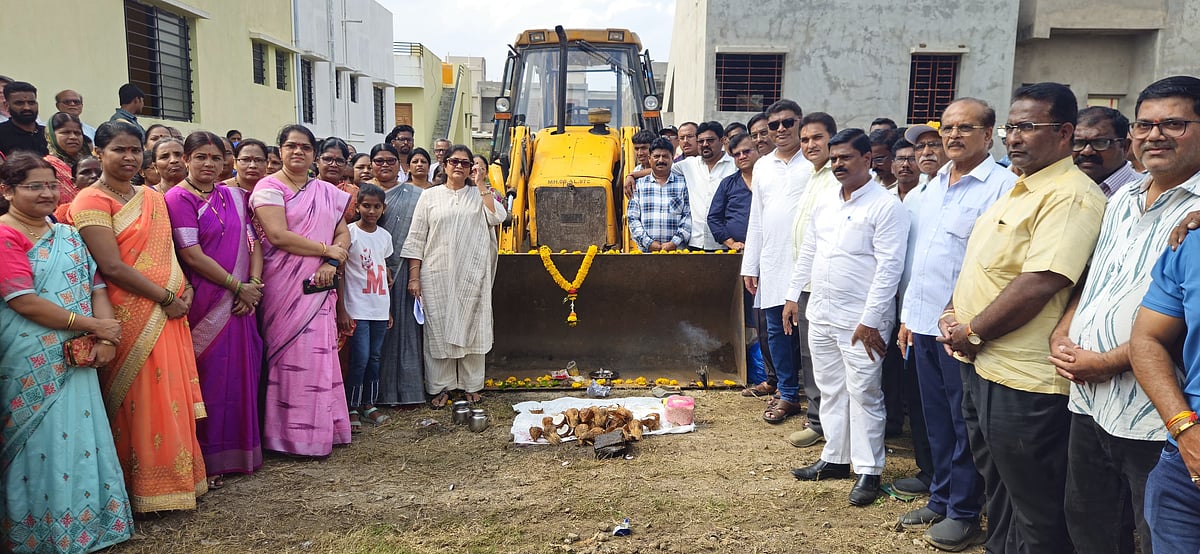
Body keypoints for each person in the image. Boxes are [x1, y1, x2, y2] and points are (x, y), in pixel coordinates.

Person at [941, 82, 1106, 553]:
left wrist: (972, 331)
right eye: (1011, 128)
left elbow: (1041, 282)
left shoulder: (1070, 196)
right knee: (1002, 491)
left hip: (1025, 380)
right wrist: (953, 311)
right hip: (983, 364)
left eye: (1028, 127)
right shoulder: (1020, 189)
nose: (1014, 138)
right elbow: (988, 266)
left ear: (1065, 133)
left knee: (1037, 506)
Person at [1055, 76, 1200, 554]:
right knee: (1090, 523)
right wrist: (1065, 326)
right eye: (1145, 124)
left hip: (1157, 413)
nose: (1155, 135)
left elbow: (1175, 323)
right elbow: (1097, 276)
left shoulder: (1199, 210)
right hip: (1091, 402)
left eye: (1174, 123)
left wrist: (1109, 360)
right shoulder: (1122, 197)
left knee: (1155, 531)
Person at [67, 120, 208, 513]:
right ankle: (142, 488)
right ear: (98, 153)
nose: (129, 157)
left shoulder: (150, 197)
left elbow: (166, 254)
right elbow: (111, 266)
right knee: (142, 402)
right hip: (131, 315)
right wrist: (165, 296)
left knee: (171, 399)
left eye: (134, 150)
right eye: (119, 150)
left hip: (170, 312)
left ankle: (180, 483)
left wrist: (183, 288)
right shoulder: (90, 202)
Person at [895, 98, 1015, 550]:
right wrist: (909, 318)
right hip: (924, 323)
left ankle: (964, 511)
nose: (953, 136)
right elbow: (920, 260)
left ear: (989, 135)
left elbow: (997, 266)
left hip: (965, 329)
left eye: (966, 128)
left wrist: (967, 323)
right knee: (936, 421)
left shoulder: (1002, 187)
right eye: (947, 128)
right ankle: (942, 496)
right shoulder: (933, 184)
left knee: (966, 425)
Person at [0, 152, 135, 552]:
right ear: (6, 191)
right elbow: (22, 300)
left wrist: (108, 339)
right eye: (33, 186)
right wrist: (94, 328)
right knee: (38, 442)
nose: (46, 193)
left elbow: (95, 287)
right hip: (30, 357)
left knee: (80, 434)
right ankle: (39, 535)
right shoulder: (6, 235)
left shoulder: (67, 234)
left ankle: (87, 527)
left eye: (51, 185)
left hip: (77, 353)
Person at [785, 130, 910, 506]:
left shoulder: (886, 207)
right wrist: (793, 295)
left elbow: (890, 268)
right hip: (821, 311)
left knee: (865, 392)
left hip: (862, 320)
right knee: (829, 387)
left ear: (868, 158)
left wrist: (872, 319)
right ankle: (835, 458)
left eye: (846, 158)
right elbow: (809, 250)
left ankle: (869, 470)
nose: (838, 164)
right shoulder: (826, 201)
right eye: (834, 158)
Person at [165, 131, 265, 490]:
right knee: (210, 380)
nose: (209, 164)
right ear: (187, 160)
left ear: (226, 162)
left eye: (216, 157)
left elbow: (254, 242)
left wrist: (252, 285)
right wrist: (237, 286)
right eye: (201, 157)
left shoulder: (236, 196)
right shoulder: (177, 198)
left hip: (242, 301)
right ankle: (208, 460)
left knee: (242, 374)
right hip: (206, 301)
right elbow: (191, 254)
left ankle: (242, 453)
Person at [250, 124, 352, 457]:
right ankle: (288, 437)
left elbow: (342, 234)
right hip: (284, 287)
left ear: (313, 154)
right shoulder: (268, 187)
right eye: (291, 146)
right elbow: (277, 235)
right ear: (279, 151)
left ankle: (326, 428)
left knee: (321, 355)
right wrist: (325, 250)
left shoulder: (325, 190)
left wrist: (331, 264)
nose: (298, 152)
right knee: (290, 358)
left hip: (320, 285)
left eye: (305, 147)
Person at [401, 145, 506, 407]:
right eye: (453, 161)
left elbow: (497, 216)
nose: (458, 166)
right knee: (438, 328)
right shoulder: (430, 196)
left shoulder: (479, 194)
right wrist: (414, 277)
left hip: (473, 273)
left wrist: (480, 183)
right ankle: (441, 386)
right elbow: (416, 238)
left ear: (472, 167)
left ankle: (471, 385)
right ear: (445, 165)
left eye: (465, 162)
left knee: (474, 326)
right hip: (437, 274)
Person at [741, 99, 813, 423]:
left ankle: (816, 397)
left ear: (799, 122)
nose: (781, 129)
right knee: (775, 331)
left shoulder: (812, 162)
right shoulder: (762, 166)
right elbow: (756, 218)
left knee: (808, 334)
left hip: (807, 260)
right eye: (774, 125)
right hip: (772, 259)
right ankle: (787, 394)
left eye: (787, 122)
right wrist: (749, 264)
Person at [780, 112, 838, 442]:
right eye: (805, 140)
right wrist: (794, 292)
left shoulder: (836, 179)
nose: (810, 145)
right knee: (810, 357)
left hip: (828, 288)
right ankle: (817, 422)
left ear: (832, 137)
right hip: (807, 286)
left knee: (828, 361)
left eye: (817, 138)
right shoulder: (813, 177)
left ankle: (826, 425)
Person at [337, 184, 394, 429]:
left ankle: (369, 404)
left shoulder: (385, 236)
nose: (371, 211)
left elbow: (382, 272)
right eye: (366, 206)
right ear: (357, 206)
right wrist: (342, 310)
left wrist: (388, 309)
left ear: (383, 209)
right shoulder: (349, 234)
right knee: (359, 358)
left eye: (376, 206)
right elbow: (339, 273)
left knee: (375, 357)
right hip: (356, 308)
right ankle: (351, 405)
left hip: (379, 308)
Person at [377, 148, 427, 407]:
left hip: (406, 268)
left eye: (390, 160)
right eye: (379, 161)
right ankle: (376, 395)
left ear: (399, 164)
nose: (384, 165)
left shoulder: (415, 195)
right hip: (368, 277)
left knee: (406, 331)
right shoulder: (359, 195)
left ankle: (408, 392)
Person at [628, 138, 691, 252]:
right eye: (656, 156)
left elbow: (688, 216)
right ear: (649, 159)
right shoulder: (638, 186)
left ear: (672, 158)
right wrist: (648, 243)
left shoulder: (683, 184)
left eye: (665, 156)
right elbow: (632, 218)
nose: (661, 160)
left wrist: (674, 242)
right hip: (646, 252)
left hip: (677, 252)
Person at [1073, 106, 1144, 197]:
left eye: (1100, 143)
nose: (1086, 151)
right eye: (1077, 142)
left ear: (1125, 146)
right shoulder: (1061, 189)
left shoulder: (1144, 193)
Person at [43, 112, 87, 215]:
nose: (73, 137)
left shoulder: (89, 163)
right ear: (51, 135)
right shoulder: (46, 166)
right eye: (65, 132)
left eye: (77, 133)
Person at [0, 81, 48, 157]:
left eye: (31, 103)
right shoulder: (2, 134)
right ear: (6, 106)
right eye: (19, 103)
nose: (27, 107)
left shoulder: (48, 134)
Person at [318, 137, 358, 223]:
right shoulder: (305, 189)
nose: (333, 165)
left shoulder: (354, 194)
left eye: (339, 161)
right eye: (328, 159)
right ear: (317, 161)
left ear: (345, 164)